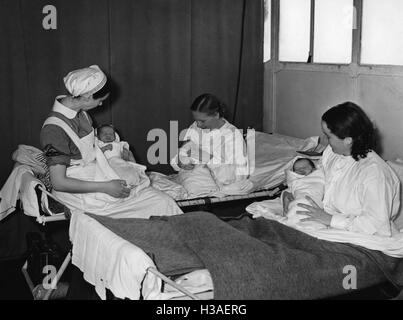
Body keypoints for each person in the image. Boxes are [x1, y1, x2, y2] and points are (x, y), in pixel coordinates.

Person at [40, 65, 182, 218]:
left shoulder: (82, 115)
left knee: (163, 202)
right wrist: (106, 187)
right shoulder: (54, 128)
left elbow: (90, 151)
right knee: (160, 204)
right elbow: (59, 182)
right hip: (79, 192)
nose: (100, 104)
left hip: (95, 178)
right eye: (100, 100)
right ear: (87, 95)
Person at [295, 101, 400, 236]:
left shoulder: (374, 174)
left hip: (361, 236)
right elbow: (318, 178)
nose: (325, 141)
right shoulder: (332, 153)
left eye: (328, 136)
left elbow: (377, 225)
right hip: (324, 224)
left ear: (348, 140)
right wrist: (291, 195)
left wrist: (330, 219)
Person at [171, 93, 249, 189]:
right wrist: (180, 160)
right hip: (193, 177)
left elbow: (239, 177)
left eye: (202, 121)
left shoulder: (232, 136)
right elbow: (184, 149)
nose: (198, 124)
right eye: (196, 120)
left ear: (216, 115)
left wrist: (209, 159)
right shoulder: (196, 126)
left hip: (220, 183)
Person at [96, 124, 150, 193]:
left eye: (111, 134)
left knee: (128, 170)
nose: (108, 135)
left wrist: (125, 153)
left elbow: (125, 150)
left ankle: (132, 182)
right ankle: (122, 184)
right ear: (98, 136)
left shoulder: (119, 144)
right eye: (105, 134)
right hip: (108, 163)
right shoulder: (99, 145)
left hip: (120, 161)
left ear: (115, 136)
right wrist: (104, 149)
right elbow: (96, 154)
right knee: (112, 174)